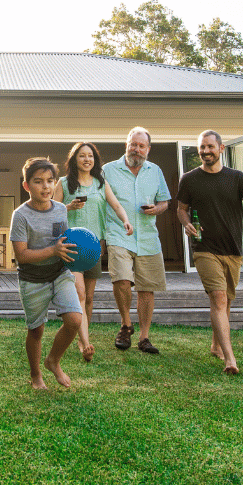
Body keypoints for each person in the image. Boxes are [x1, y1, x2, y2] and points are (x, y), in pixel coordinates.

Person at [175, 129, 243, 375]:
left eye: (210, 147)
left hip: (232, 250)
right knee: (219, 298)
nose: (205, 151)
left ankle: (215, 344)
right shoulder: (189, 179)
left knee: (226, 301)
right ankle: (230, 359)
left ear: (221, 149)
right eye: (202, 147)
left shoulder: (236, 178)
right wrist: (186, 222)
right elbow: (181, 209)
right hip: (204, 249)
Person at [54, 141, 133, 363]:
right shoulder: (63, 183)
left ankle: (81, 337)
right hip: (71, 246)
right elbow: (50, 209)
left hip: (94, 246)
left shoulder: (100, 183)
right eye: (82, 156)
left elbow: (116, 205)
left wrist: (125, 221)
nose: (87, 159)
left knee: (88, 297)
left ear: (95, 160)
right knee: (78, 294)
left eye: (90, 156)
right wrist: (68, 207)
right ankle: (84, 342)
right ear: (74, 160)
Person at [9, 157, 82, 390]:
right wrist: (53, 250)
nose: (46, 186)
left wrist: (78, 255)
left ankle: (53, 361)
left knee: (74, 320)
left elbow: (63, 240)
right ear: (27, 186)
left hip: (59, 273)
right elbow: (22, 255)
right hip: (32, 278)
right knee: (36, 330)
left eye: (50, 181)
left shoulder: (61, 209)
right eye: (38, 181)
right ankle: (35, 374)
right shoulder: (20, 216)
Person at [101, 127, 170, 355]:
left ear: (148, 149)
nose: (137, 149)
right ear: (126, 145)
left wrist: (156, 209)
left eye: (141, 146)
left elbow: (165, 202)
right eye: (133, 144)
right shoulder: (108, 170)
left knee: (147, 288)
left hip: (148, 237)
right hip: (119, 233)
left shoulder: (155, 171)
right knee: (120, 278)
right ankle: (126, 324)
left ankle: (144, 337)